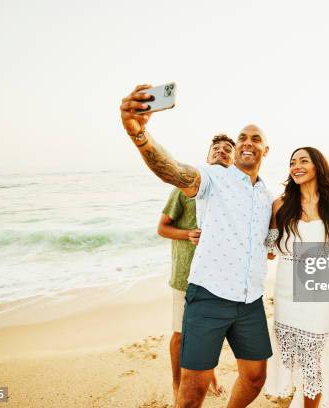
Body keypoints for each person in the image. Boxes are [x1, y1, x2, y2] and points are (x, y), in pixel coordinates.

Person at [120, 84, 274, 408]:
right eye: (242, 137)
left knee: (256, 376)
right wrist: (140, 135)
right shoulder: (212, 179)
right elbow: (172, 170)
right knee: (192, 391)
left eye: (254, 139)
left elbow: (270, 237)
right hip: (208, 295)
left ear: (266, 150)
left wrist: (272, 246)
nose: (247, 142)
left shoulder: (267, 196)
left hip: (250, 298)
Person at [265, 147, 329, 408]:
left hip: (320, 295)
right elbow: (268, 250)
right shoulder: (280, 204)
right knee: (291, 359)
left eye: (303, 161)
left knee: (314, 362)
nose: (296, 166)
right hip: (285, 293)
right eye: (292, 162)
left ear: (318, 166)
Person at [157, 134, 236, 400]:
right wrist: (188, 233)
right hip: (185, 276)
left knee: (209, 334)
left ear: (234, 160)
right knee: (180, 334)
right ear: (207, 156)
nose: (221, 152)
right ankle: (176, 384)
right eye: (216, 149)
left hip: (216, 277)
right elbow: (162, 228)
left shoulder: (232, 193)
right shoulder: (184, 188)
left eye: (227, 150)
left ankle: (210, 375)